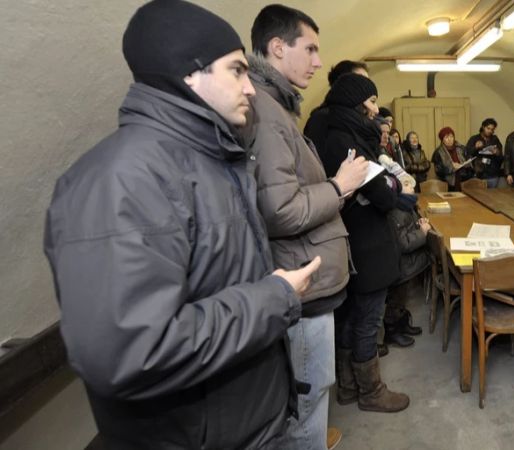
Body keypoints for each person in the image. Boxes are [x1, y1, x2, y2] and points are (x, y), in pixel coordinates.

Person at [43, 1, 323, 448]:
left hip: (249, 423)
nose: (250, 88)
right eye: (236, 70)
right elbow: (131, 353)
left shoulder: (213, 161)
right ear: (189, 74)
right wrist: (276, 297)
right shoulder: (121, 180)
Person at [246, 5, 371, 448]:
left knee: (313, 394)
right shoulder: (265, 113)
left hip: (309, 280)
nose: (319, 61)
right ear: (278, 48)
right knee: (307, 397)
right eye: (311, 48)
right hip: (301, 285)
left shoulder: (278, 107)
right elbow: (279, 211)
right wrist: (339, 185)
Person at [319, 73, 410, 413]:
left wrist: (387, 185)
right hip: (368, 244)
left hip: (355, 242)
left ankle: (346, 387)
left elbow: (383, 187)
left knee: (353, 317)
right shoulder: (349, 140)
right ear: (357, 104)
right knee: (368, 321)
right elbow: (385, 196)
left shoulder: (335, 133)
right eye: (371, 102)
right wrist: (391, 186)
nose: (376, 110)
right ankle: (371, 391)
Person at [382, 176, 430, 347]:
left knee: (403, 297)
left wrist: (418, 224)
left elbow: (408, 229)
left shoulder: (406, 205)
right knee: (396, 300)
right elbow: (403, 243)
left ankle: (402, 325)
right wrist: (422, 233)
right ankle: (393, 331)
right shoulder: (396, 212)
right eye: (407, 184)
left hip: (408, 265)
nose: (412, 186)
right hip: (401, 265)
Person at [304, 60, 369, 151]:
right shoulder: (322, 118)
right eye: (361, 81)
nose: (367, 87)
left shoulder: (358, 118)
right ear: (342, 84)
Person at [466, 118, 505, 187]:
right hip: (477, 174)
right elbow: (467, 153)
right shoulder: (474, 139)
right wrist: (475, 147)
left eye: (492, 129)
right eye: (488, 128)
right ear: (483, 127)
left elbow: (501, 157)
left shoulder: (495, 139)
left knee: (492, 196)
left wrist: (497, 152)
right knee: (478, 196)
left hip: (492, 175)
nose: (490, 131)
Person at [432, 126, 474, 190]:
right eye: (446, 137)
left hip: (464, 181)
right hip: (448, 184)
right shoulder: (438, 152)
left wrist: (465, 165)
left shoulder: (461, 148)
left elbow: (469, 160)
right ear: (442, 139)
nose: (450, 139)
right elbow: (438, 171)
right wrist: (451, 168)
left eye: (451, 136)